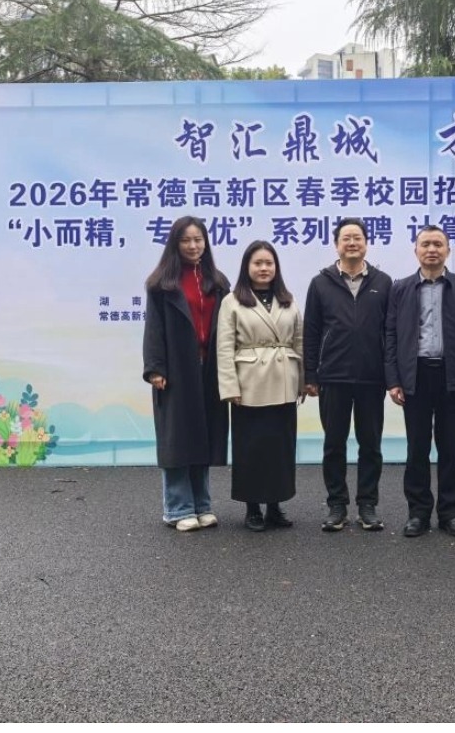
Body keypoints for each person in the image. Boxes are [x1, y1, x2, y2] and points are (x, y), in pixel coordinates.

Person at [385, 225, 455, 538]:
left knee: (450, 448)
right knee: (417, 448)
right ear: (416, 250)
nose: (431, 250)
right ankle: (418, 513)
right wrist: (393, 379)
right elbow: (390, 336)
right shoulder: (400, 288)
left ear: (448, 251)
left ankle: (451, 512)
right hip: (415, 375)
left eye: (438, 244)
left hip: (452, 375)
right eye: (425, 244)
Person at [303, 218, 392, 532]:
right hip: (333, 376)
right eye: (346, 238)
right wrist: (310, 375)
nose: (352, 243)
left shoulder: (383, 282)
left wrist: (391, 375)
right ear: (336, 244)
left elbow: (390, 332)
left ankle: (367, 505)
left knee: (371, 445)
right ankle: (337, 505)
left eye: (357, 238)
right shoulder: (321, 283)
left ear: (366, 243)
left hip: (371, 377)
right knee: (334, 444)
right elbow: (311, 331)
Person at [142, 215, 230, 532]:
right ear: (175, 244)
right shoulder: (161, 284)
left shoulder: (218, 282)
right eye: (186, 240)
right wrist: (155, 367)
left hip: (209, 370)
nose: (193, 246)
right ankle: (178, 508)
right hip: (176, 370)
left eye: (198, 239)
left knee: (202, 436)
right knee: (177, 439)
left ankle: (202, 505)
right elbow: (153, 329)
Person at [217, 241, 304, 532]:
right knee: (251, 448)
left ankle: (275, 506)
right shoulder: (232, 301)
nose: (264, 268)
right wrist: (229, 386)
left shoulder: (288, 299)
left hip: (283, 381)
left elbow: (299, 341)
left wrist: (302, 380)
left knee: (280, 448)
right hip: (249, 384)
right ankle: (252, 508)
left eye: (269, 263)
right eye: (257, 263)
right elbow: (224, 347)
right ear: (247, 267)